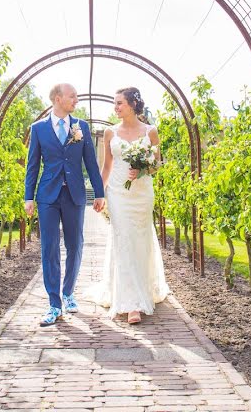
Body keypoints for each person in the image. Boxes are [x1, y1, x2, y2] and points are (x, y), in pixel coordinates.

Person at [25, 83, 105, 327]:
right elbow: (33, 164)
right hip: (47, 196)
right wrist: (28, 196)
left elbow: (90, 162)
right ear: (58, 98)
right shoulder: (38, 129)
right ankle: (54, 304)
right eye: (73, 96)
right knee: (49, 248)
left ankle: (68, 292)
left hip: (74, 195)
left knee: (75, 245)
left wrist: (99, 193)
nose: (76, 100)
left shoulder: (81, 127)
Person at [92, 87, 170, 324]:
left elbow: (158, 165)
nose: (115, 108)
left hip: (142, 193)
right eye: (115, 103)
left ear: (133, 104)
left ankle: (144, 288)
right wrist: (99, 193)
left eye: (119, 103)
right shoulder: (109, 133)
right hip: (118, 193)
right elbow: (106, 167)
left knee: (140, 239)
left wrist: (144, 168)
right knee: (123, 239)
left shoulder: (151, 132)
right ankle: (131, 303)